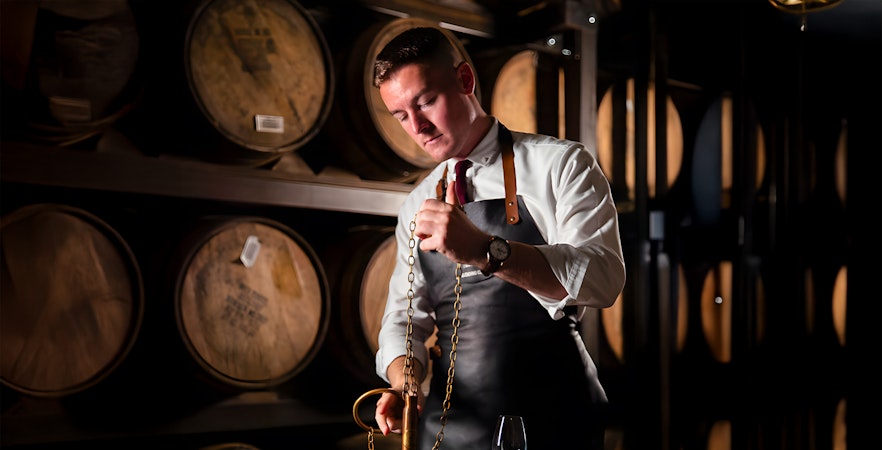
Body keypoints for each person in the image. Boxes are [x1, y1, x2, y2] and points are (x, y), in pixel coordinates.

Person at [371, 26, 625, 450]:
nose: (417, 126)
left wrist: (486, 251)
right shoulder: (416, 202)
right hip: (453, 428)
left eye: (426, 101)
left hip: (555, 420)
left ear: (465, 81)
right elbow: (404, 318)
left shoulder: (561, 164)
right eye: (400, 115)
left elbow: (603, 278)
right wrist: (404, 382)